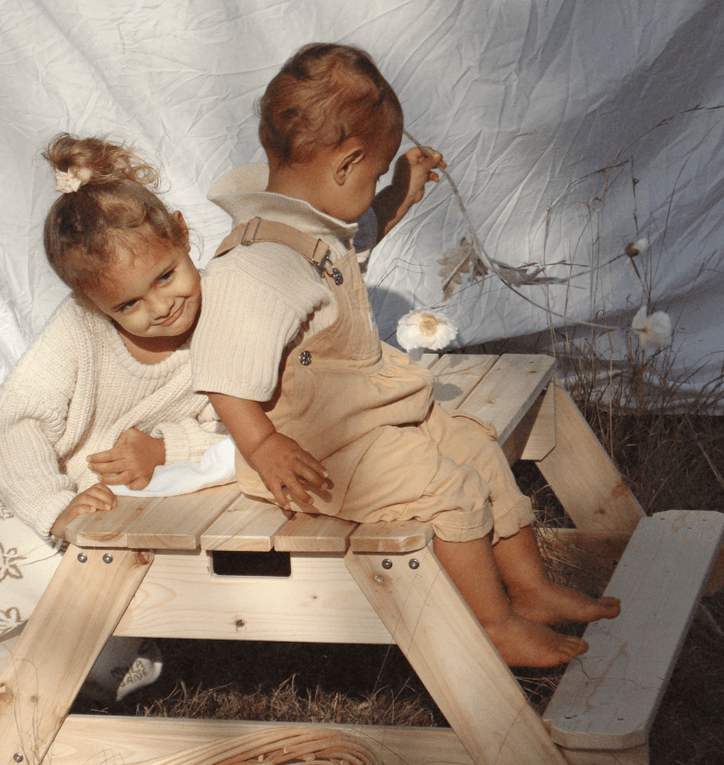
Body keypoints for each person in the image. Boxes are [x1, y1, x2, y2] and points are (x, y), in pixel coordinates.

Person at [191, 44, 619, 668]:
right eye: (372, 176)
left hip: (361, 419)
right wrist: (261, 445)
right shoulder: (253, 268)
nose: (368, 193)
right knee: (447, 490)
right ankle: (493, 624)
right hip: (310, 453)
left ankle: (530, 589)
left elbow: (354, 241)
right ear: (347, 163)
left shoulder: (310, 226)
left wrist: (398, 194)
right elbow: (223, 369)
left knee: (473, 446)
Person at [0, 133, 227, 765]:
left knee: (97, 647)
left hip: (118, 519)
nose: (162, 307)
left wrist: (168, 446)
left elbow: (232, 427)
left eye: (167, 275)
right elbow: (13, 426)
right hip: (28, 508)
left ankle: (54, 750)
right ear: (92, 304)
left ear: (182, 235)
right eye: (129, 303)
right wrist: (53, 505)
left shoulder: (224, 325)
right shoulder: (79, 335)